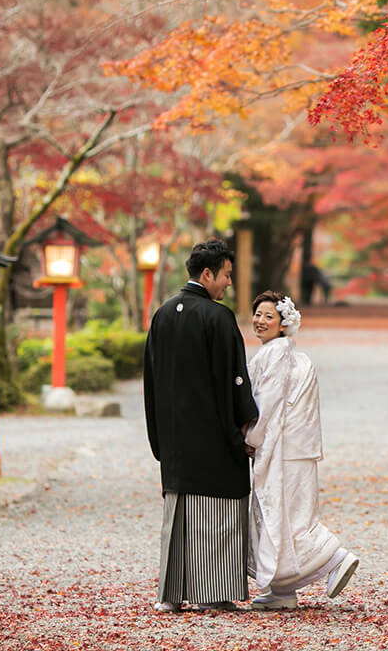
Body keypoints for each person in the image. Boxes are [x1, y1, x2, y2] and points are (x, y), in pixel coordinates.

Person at [143, 239, 258, 612]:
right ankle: (212, 593)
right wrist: (245, 424)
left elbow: (150, 379)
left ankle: (172, 595)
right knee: (218, 510)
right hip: (212, 433)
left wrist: (158, 434)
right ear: (207, 274)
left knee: (178, 513)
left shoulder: (162, 313)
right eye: (225, 275)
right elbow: (234, 378)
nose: (228, 283)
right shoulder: (217, 316)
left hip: (174, 436)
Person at [244, 290, 358, 609]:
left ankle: (334, 556)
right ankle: (282, 592)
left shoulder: (275, 353)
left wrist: (250, 439)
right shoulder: (293, 354)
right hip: (297, 449)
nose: (260, 321)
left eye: (269, 316)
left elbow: (267, 406)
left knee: (280, 515)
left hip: (281, 450)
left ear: (283, 323)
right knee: (286, 514)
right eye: (257, 314)